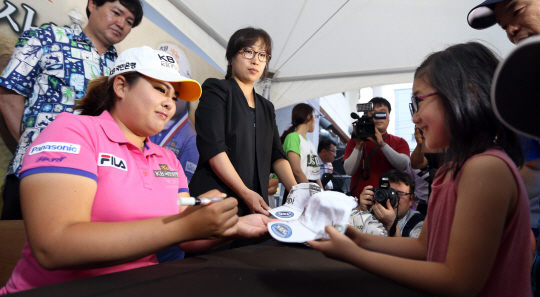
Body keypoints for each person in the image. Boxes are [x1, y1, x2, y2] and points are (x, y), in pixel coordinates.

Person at [0, 46, 273, 295]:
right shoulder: (72, 132)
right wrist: (185, 226)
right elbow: (54, 246)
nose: (170, 102)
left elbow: (184, 236)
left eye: (174, 95)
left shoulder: (167, 159)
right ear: (121, 85)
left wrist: (234, 226)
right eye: (160, 89)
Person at [309, 42, 531, 297]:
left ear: (468, 96)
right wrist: (359, 240)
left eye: (419, 103)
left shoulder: (486, 169)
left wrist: (355, 255)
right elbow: (425, 247)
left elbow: (459, 282)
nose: (414, 118)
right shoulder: (451, 170)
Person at [0, 0, 144, 220]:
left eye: (129, 21)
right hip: (37, 173)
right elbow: (9, 96)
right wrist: (36, 148)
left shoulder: (123, 70)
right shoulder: (46, 38)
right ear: (92, 5)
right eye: (116, 12)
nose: (121, 23)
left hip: (96, 185)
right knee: (17, 249)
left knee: (80, 251)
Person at [189, 27, 297, 217]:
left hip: (256, 204)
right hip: (218, 200)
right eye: (248, 51)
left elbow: (277, 155)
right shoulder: (216, 90)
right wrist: (245, 193)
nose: (255, 60)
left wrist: (299, 193)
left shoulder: (267, 107)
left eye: (262, 55)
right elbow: (214, 148)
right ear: (231, 57)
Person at [343, 97, 410, 204]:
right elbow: (349, 170)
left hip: (389, 202)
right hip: (360, 203)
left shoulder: (399, 142)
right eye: (373, 114)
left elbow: (403, 165)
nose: (378, 117)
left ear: (388, 117)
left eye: (382, 113)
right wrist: (359, 145)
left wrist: (382, 144)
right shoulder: (355, 142)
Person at [357, 169, 424, 238]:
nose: (393, 198)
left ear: (411, 199)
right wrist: (361, 213)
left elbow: (404, 249)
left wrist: (391, 224)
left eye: (399, 194)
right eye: (389, 193)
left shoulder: (419, 224)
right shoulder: (369, 212)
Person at [280, 103, 323, 195]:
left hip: (311, 189)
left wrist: (322, 193)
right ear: (308, 117)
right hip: (299, 189)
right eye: (314, 117)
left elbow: (315, 174)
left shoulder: (311, 144)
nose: (315, 121)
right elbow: (296, 171)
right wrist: (312, 193)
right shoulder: (293, 137)